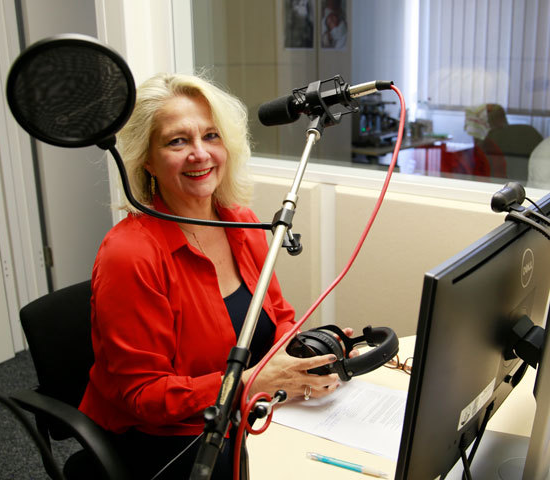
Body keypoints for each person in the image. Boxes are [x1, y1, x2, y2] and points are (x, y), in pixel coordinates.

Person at [78, 72, 352, 479]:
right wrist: (251, 382)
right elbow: (143, 395)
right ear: (147, 159)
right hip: (172, 437)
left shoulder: (241, 222)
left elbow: (279, 317)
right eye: (177, 141)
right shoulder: (129, 254)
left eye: (211, 136)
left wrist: (309, 355)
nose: (200, 154)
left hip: (248, 408)